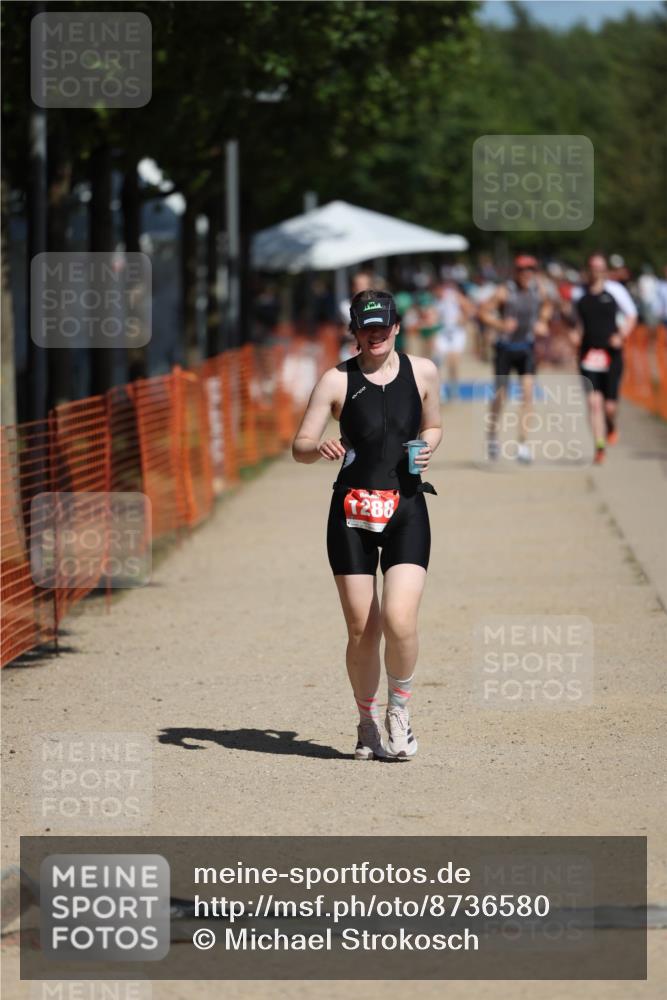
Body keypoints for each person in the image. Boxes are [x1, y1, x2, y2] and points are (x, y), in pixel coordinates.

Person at [292, 289, 442, 760]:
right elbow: (299, 443)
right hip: (351, 515)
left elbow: (432, 426)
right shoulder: (336, 381)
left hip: (407, 509)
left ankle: (400, 713)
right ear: (355, 332)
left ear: (397, 326)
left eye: (383, 326)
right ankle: (365, 722)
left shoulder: (423, 371)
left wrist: (428, 446)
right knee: (363, 628)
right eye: (366, 327)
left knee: (399, 618)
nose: (375, 334)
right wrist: (317, 449)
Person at [479, 255, 552, 463]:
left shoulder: (538, 290)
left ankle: (523, 444)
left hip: (526, 348)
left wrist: (543, 321)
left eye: (530, 269)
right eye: (522, 270)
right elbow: (483, 313)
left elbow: (548, 306)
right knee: (501, 396)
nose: (526, 273)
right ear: (516, 271)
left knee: (528, 395)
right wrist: (500, 325)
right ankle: (492, 437)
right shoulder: (505, 291)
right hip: (505, 348)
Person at [570, 253, 638, 462]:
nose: (596, 271)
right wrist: (575, 333)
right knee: (594, 402)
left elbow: (631, 315)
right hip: (589, 354)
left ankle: (611, 424)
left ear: (605, 270)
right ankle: (599, 447)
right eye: (592, 267)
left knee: (609, 406)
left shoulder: (616, 291)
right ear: (588, 269)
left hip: (611, 353)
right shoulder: (578, 293)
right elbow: (576, 320)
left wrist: (621, 335)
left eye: (600, 267)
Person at [433, 277, 475, 401]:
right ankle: (438, 391)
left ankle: (454, 390)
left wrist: (464, 319)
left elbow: (469, 308)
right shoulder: (435, 300)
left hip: (456, 333)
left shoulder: (453, 296)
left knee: (453, 363)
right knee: (437, 361)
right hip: (442, 333)